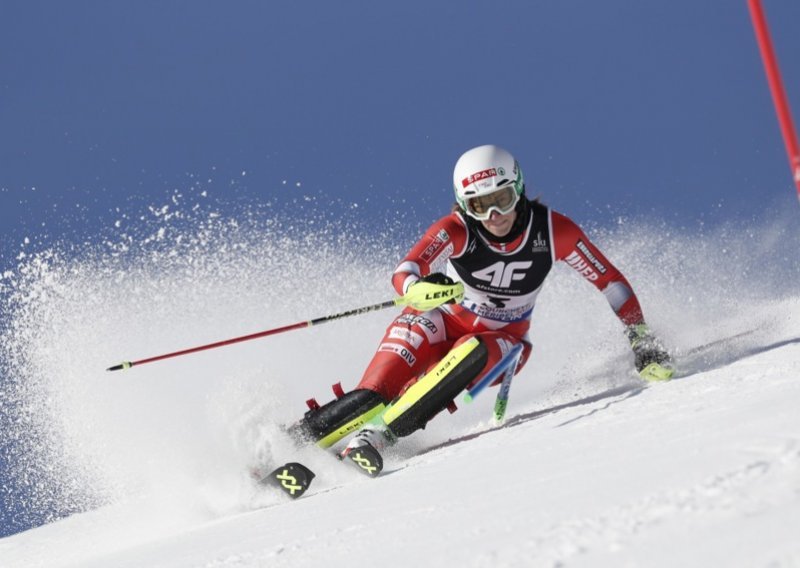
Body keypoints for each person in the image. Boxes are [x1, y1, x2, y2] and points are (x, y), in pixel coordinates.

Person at [291, 144, 672, 475]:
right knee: (372, 395)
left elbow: (611, 281)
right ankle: (287, 444)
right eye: (480, 206)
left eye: (502, 200)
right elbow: (406, 270)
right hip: (439, 320)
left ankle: (377, 437)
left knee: (473, 353)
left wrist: (641, 339)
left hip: (502, 341)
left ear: (518, 189)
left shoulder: (554, 232)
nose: (494, 217)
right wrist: (417, 288)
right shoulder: (456, 229)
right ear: (463, 205)